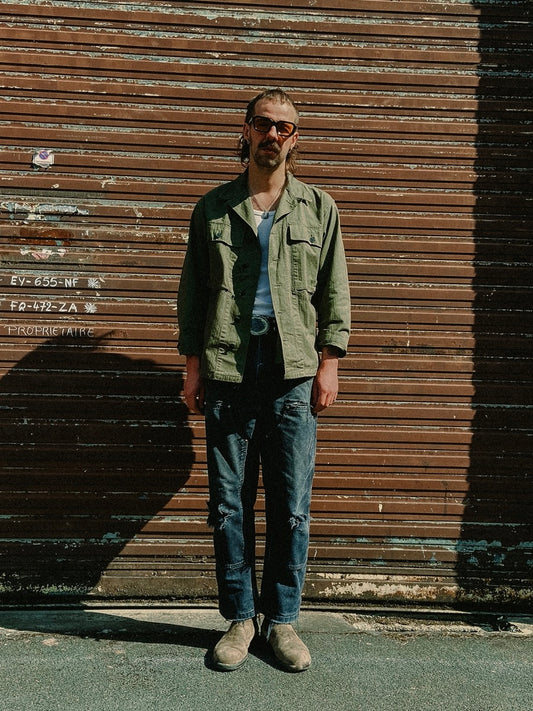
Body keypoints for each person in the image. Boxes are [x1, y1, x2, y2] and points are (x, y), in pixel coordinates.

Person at [177, 88, 350, 672]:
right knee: (229, 503)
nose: (273, 134)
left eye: (284, 127)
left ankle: (282, 621)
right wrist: (192, 366)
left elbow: (334, 289)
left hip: (292, 366)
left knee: (291, 501)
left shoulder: (319, 208)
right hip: (228, 363)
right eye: (263, 124)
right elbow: (194, 292)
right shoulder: (213, 208)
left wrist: (329, 361)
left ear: (295, 139)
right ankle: (240, 619)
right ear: (246, 131)